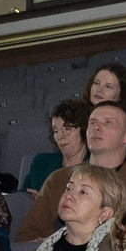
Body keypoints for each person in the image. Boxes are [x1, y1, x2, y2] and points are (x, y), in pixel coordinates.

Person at [18, 99, 93, 235]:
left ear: (83, 130)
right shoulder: (40, 162)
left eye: (67, 129)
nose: (60, 136)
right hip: (39, 227)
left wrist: (46, 198)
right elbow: (22, 196)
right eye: (56, 130)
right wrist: (32, 200)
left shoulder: (94, 166)